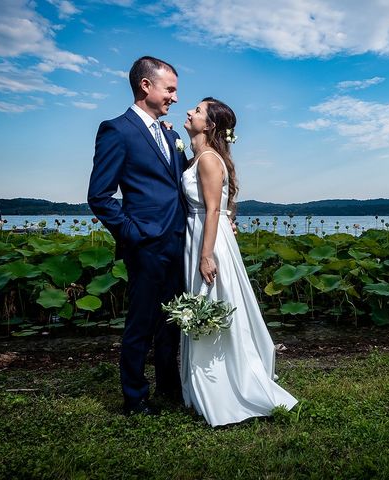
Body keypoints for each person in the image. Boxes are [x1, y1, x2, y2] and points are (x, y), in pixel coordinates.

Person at [180, 97, 298, 427]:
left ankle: (220, 388)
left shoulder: (207, 159)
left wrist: (205, 255)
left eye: (198, 111)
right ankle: (206, 383)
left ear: (209, 126)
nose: (189, 111)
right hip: (204, 233)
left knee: (210, 303)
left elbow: (214, 210)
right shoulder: (200, 157)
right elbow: (223, 208)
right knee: (208, 305)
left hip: (208, 239)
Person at [87, 56, 188, 416]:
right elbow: (99, 195)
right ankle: (134, 397)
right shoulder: (117, 130)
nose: (175, 97)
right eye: (170, 89)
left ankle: (169, 385)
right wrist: (133, 233)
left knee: (174, 319)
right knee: (141, 322)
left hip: (179, 240)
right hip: (145, 244)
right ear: (146, 85)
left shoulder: (172, 134)